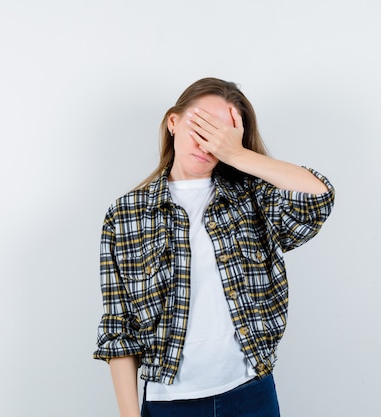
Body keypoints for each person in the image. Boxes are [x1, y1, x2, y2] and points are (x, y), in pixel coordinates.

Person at [93, 77, 335, 417]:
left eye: (221, 134)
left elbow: (318, 198)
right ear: (173, 122)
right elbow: (119, 328)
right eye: (200, 126)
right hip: (168, 404)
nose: (208, 142)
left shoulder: (251, 198)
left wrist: (237, 155)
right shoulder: (126, 214)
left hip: (251, 394)